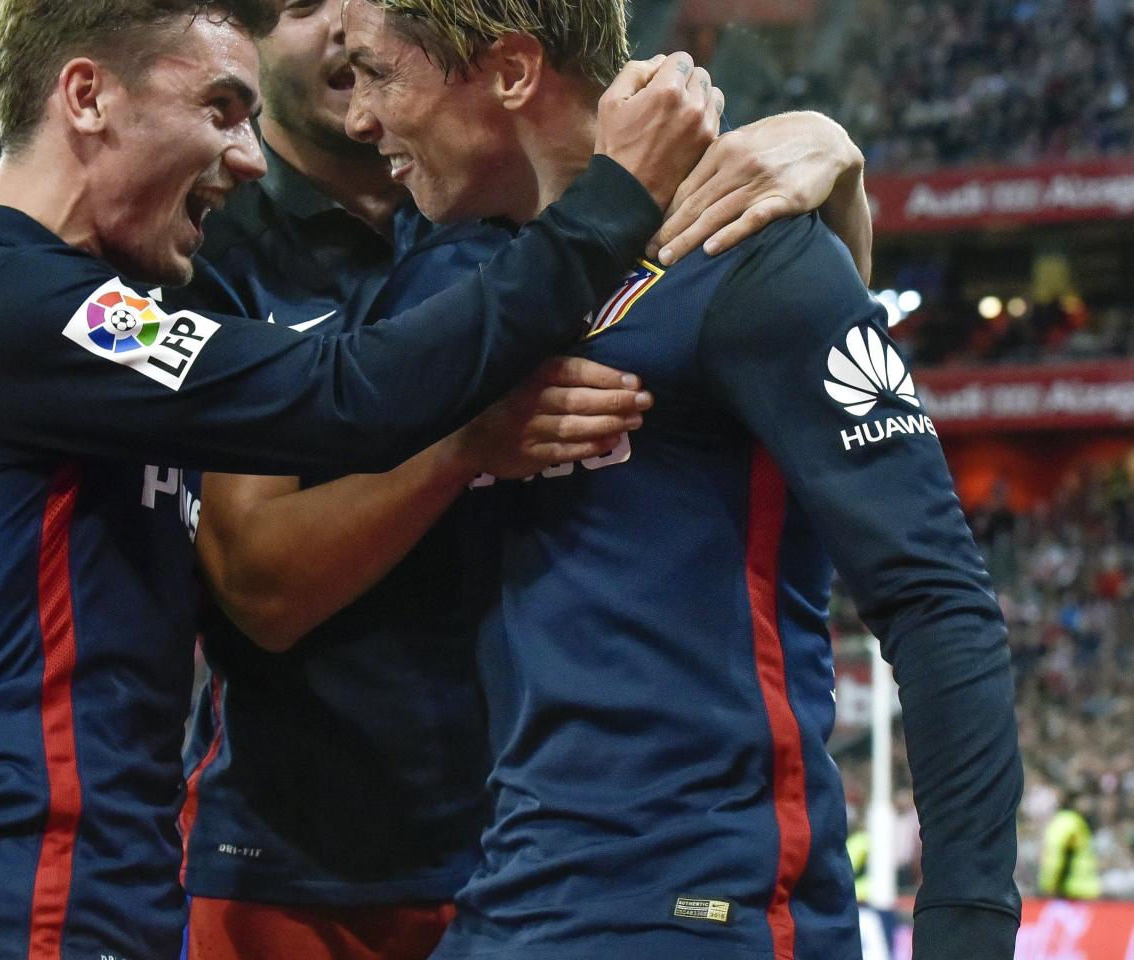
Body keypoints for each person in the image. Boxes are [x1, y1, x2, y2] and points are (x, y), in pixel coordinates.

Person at [0, 0, 726, 955]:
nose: (249, 154)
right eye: (222, 109)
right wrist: (612, 198)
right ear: (88, 96)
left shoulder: (22, 318)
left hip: (76, 890)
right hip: (24, 902)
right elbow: (341, 396)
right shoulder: (23, 305)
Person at [176, 4, 874, 960]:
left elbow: (793, 363)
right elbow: (256, 582)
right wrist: (461, 448)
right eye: (300, 6)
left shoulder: (533, 193)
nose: (340, 26)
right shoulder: (221, 237)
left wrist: (830, 153)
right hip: (302, 867)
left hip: (533, 869)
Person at [332, 1, 1022, 958]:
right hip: (506, 906)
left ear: (512, 72)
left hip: (707, 910)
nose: (358, 117)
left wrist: (967, 928)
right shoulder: (462, 281)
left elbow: (936, 597)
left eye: (376, 74)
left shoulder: (750, 251)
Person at [1038, 787, 1102, 900]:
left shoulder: (1074, 821)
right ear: (1074, 802)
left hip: (1077, 890)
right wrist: (1051, 885)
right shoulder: (1068, 823)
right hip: (1071, 891)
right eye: (1085, 799)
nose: (1089, 803)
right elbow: (1056, 855)